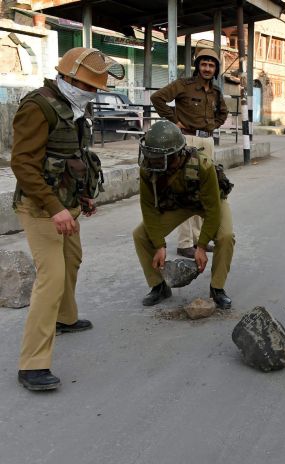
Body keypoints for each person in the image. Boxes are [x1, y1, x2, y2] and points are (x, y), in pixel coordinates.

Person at [11, 47, 123, 391]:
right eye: (88, 86)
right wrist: (54, 208)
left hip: (67, 203)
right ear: (68, 78)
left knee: (72, 260)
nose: (91, 92)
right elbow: (23, 164)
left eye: (95, 89)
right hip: (40, 208)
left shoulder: (73, 109)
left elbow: (74, 158)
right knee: (52, 277)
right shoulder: (37, 107)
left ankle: (65, 318)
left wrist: (83, 195)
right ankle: (32, 365)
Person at [132, 121, 235, 309]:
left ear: (175, 155)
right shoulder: (148, 168)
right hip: (179, 205)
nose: (152, 161)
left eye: (158, 157)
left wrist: (202, 246)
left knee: (226, 236)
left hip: (207, 203)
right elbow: (148, 207)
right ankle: (159, 286)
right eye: (150, 155)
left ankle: (217, 288)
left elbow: (213, 210)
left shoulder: (202, 165)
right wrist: (159, 245)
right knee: (140, 234)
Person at [151, 48, 228, 259]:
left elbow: (223, 112)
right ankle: (184, 242)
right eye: (204, 64)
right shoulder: (183, 85)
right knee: (186, 190)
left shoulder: (216, 92)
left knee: (204, 190)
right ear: (198, 66)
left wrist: (213, 124)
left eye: (211, 65)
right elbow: (157, 98)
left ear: (216, 69)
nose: (207, 68)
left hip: (207, 141)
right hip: (187, 140)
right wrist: (174, 121)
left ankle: (197, 239)